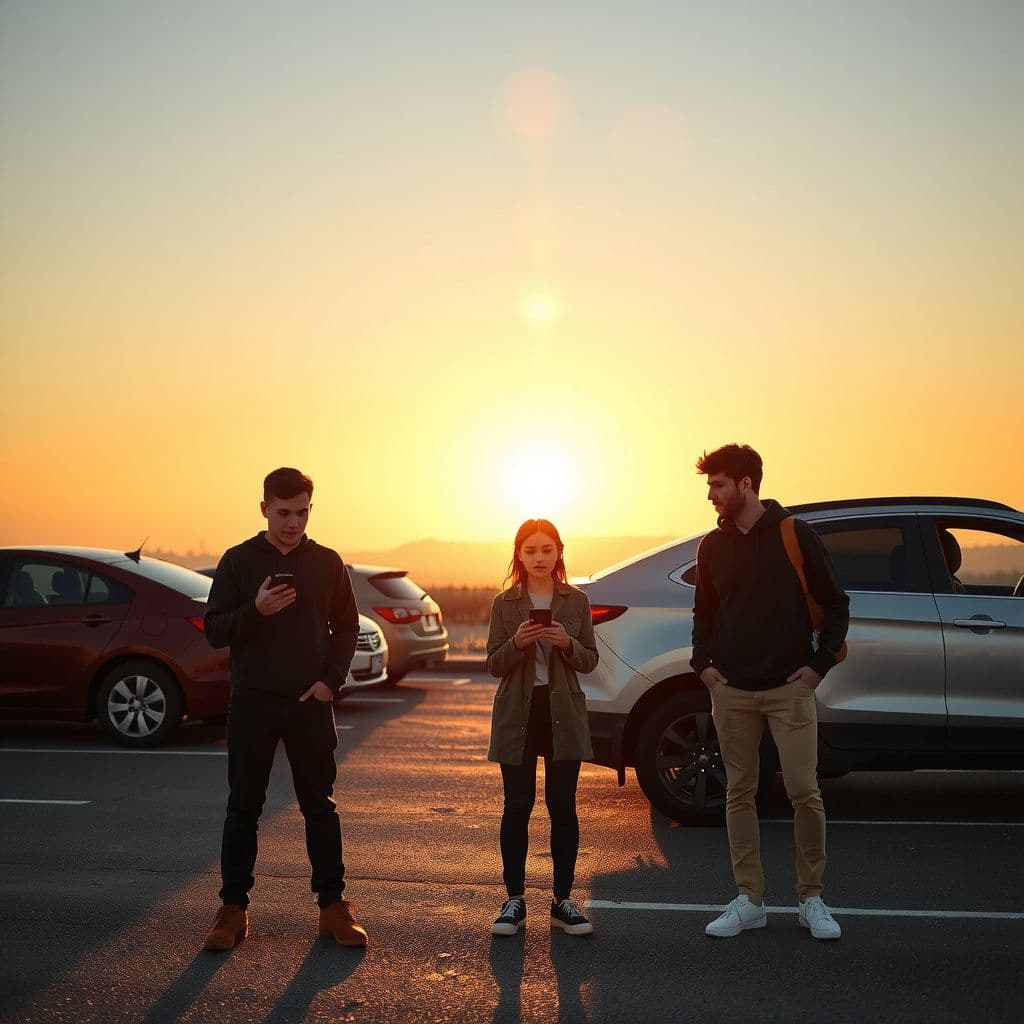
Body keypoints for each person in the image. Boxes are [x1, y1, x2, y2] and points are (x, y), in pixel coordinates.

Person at [201, 467, 368, 950]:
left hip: (308, 706)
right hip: (252, 704)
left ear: (310, 510)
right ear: (264, 509)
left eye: (301, 512)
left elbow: (347, 625)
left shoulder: (327, 563)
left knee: (320, 808)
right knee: (243, 809)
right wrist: (257, 611)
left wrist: (329, 683)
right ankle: (233, 911)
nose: (292, 523)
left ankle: (333, 908)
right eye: (283, 513)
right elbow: (214, 630)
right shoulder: (238, 561)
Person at [691, 444, 850, 941]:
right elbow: (704, 614)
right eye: (709, 485)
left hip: (789, 688)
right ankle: (750, 900)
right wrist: (704, 667)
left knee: (805, 791)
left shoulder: (794, 534)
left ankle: (811, 898)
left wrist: (817, 667)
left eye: (718, 484)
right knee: (740, 792)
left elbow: (835, 602)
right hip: (732, 690)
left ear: (746, 483)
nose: (710, 494)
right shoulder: (710, 547)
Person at [486, 519, 599, 938]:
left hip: (562, 713)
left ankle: (562, 900)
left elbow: (589, 660)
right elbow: (494, 663)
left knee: (562, 805)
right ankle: (514, 900)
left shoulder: (577, 601)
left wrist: (566, 642)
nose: (538, 558)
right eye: (530, 550)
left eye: (546, 550)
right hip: (518, 712)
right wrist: (517, 643)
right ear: (518, 553)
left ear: (559, 552)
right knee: (517, 805)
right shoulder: (504, 603)